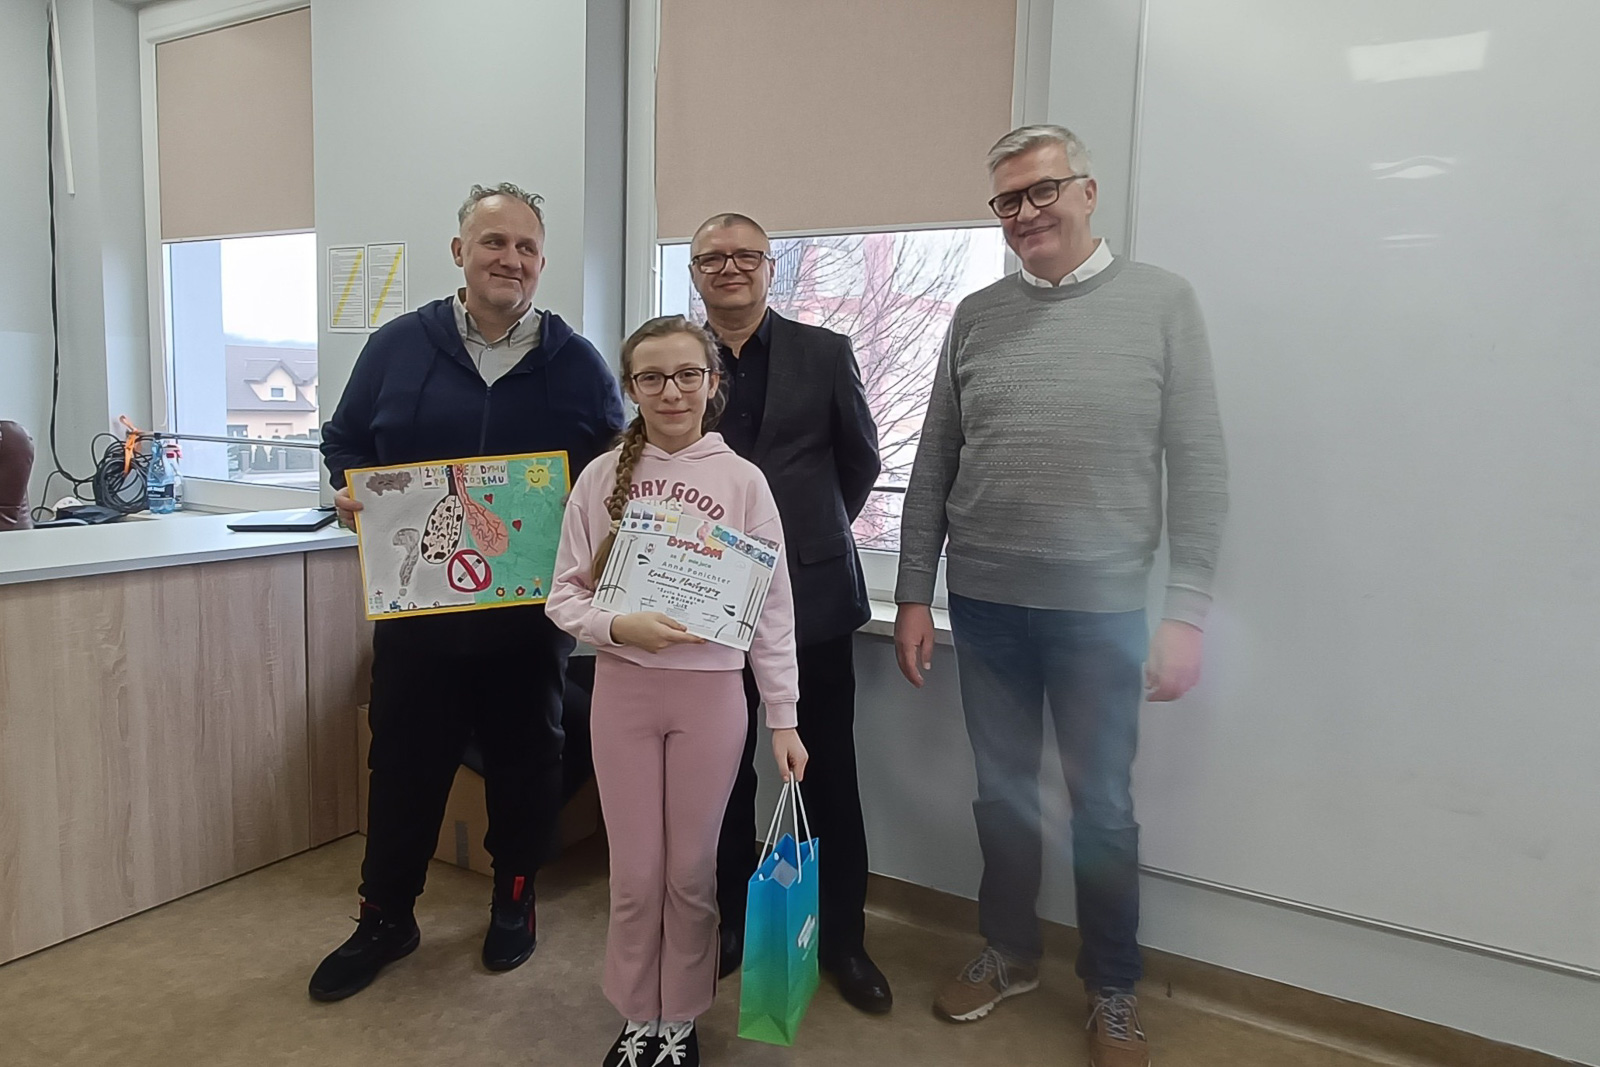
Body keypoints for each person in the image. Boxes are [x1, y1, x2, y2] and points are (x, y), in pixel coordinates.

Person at [893, 125, 1228, 1067]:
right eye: (1008, 200)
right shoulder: (976, 315)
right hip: (988, 606)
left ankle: (1113, 987)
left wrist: (1187, 611)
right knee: (1002, 796)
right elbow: (934, 463)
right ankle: (1009, 951)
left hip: (1104, 614)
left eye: (1042, 190)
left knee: (1102, 808)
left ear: (1086, 191)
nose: (1026, 213)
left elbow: (1200, 465)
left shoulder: (1163, 302)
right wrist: (913, 593)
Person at [311, 183, 626, 1002]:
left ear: (542, 262)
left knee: (529, 761)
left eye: (525, 247)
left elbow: (614, 469)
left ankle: (514, 898)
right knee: (403, 762)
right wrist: (352, 490)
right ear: (459, 252)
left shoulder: (578, 363)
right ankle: (385, 915)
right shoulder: (396, 346)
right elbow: (344, 437)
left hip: (528, 617)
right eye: (493, 242)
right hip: (418, 611)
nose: (509, 259)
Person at [546, 315, 807, 1067]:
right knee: (635, 874)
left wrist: (784, 717)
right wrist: (619, 626)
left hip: (712, 700)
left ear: (712, 383)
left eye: (688, 374)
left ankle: (681, 1018)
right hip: (623, 694)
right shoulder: (601, 477)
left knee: (691, 873)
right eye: (652, 377)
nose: (672, 391)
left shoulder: (743, 481)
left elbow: (773, 609)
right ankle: (638, 1015)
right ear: (631, 388)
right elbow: (562, 596)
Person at [689, 213, 891, 1014]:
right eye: (712, 257)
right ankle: (733, 922)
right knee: (721, 774)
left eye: (746, 255)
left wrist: (801, 537)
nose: (730, 268)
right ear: (696, 273)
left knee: (827, 772)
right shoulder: (679, 357)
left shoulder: (824, 352)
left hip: (811, 601)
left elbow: (860, 462)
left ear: (770, 267)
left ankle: (843, 938)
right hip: (705, 600)